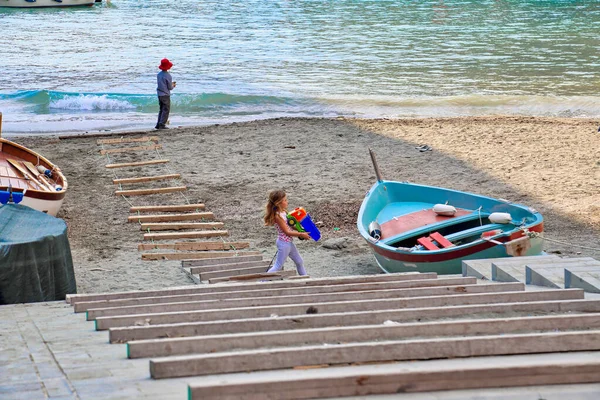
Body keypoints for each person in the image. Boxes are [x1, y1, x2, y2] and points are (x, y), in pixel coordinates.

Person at [264, 190, 310, 276]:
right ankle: (261, 282)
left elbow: (291, 226)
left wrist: (302, 230)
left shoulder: (284, 212)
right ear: (279, 203)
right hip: (284, 243)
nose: (287, 201)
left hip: (288, 242)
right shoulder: (277, 216)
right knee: (278, 266)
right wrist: (300, 234)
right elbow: (287, 231)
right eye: (285, 200)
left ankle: (306, 279)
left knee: (299, 261)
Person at [156, 58, 176, 130]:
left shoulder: (159, 75)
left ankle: (158, 123)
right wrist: (173, 85)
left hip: (159, 94)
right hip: (165, 94)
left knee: (161, 109)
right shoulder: (168, 76)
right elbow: (170, 87)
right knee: (166, 110)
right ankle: (162, 124)